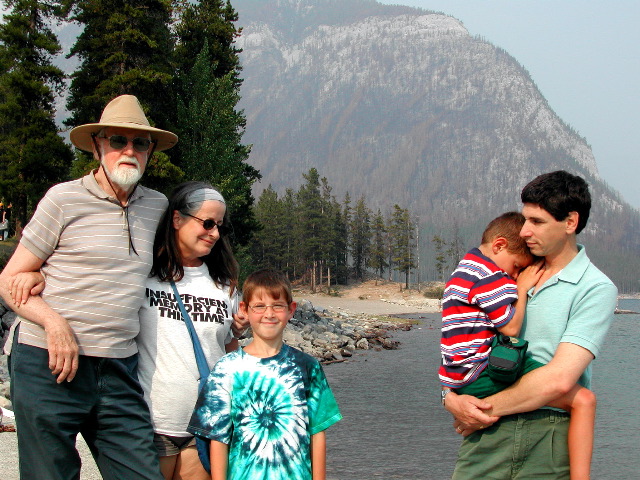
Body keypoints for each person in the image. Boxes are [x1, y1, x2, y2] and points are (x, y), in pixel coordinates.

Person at [0, 94, 177, 480]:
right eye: (118, 140)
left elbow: (180, 261)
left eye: (140, 143)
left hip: (119, 368)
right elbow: (9, 279)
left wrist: (231, 300)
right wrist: (53, 322)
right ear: (98, 145)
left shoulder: (158, 206)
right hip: (48, 363)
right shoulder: (63, 199)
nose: (129, 151)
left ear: (150, 151)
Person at [444, 171, 618, 480]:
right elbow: (463, 338)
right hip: (486, 436)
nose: (524, 231)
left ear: (570, 222)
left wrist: (481, 409)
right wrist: (449, 397)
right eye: (525, 220)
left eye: (536, 222)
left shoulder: (594, 287)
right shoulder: (505, 275)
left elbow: (560, 380)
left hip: (546, 437)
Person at [188, 268, 343, 480]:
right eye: (259, 306)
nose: (269, 314)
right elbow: (218, 439)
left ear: (291, 310)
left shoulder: (307, 366)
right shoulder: (226, 369)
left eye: (277, 306)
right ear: (244, 309)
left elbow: (317, 432)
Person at [136, 181, 245, 480]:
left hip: (205, 427)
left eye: (219, 225)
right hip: (150, 425)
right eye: (207, 223)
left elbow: (227, 348)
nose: (215, 233)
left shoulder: (224, 285)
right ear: (176, 219)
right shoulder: (143, 274)